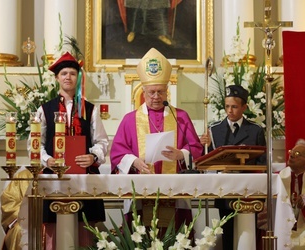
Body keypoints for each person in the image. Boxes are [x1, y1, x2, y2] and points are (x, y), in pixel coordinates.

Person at [110, 47, 203, 236]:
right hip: (141, 189)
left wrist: (181, 154)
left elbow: (196, 148)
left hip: (175, 190)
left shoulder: (181, 117)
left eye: (160, 92)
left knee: (176, 237)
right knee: (141, 237)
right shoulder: (130, 119)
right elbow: (117, 153)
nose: (156, 97)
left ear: (167, 91)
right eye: (151, 92)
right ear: (143, 91)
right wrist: (134, 161)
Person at [31, 52, 109, 249]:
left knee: (86, 229)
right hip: (53, 178)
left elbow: (102, 142)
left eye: (72, 73)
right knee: (52, 229)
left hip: (84, 177)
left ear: (78, 77)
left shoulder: (90, 109)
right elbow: (35, 144)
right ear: (57, 78)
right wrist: (47, 160)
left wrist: (92, 157)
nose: (68, 77)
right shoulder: (44, 109)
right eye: (64, 73)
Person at [200, 84, 266, 250]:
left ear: (244, 107)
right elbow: (205, 161)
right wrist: (204, 146)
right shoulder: (214, 129)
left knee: (248, 231)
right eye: (227, 106)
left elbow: (262, 162)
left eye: (235, 107)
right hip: (225, 190)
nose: (230, 111)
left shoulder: (255, 130)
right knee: (227, 231)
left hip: (248, 191)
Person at [258, 139, 305, 249]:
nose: (292, 156)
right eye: (291, 152)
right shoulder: (278, 177)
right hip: (279, 226)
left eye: (297, 154)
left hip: (304, 228)